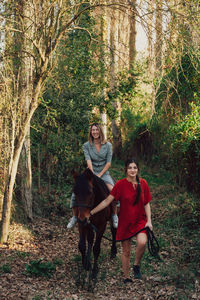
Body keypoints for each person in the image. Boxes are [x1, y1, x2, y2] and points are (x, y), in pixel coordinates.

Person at [88, 158, 153, 283]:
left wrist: (149, 220)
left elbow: (147, 204)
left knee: (142, 242)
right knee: (126, 251)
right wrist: (91, 212)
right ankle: (126, 276)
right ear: (126, 170)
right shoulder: (120, 184)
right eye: (130, 168)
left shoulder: (143, 183)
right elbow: (107, 201)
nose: (132, 170)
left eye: (135, 167)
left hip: (140, 220)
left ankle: (136, 265)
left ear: (137, 169)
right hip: (125, 222)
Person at [67, 123, 118, 229]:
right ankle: (74, 216)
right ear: (90, 132)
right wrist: (93, 175)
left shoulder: (108, 145)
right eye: (93, 130)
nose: (95, 132)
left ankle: (114, 214)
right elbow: (88, 161)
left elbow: (108, 163)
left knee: (113, 190)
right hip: (90, 173)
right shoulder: (86, 145)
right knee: (76, 191)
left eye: (96, 130)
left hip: (104, 173)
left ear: (100, 131)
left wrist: (100, 175)